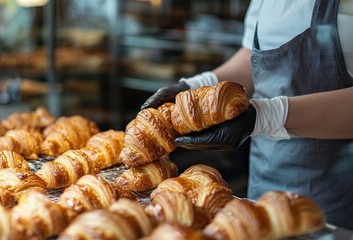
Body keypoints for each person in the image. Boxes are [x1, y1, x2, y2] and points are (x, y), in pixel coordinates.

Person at [141, 0, 353, 230]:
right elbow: (251, 60)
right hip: (265, 183)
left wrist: (265, 116)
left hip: (336, 196)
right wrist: (195, 85)